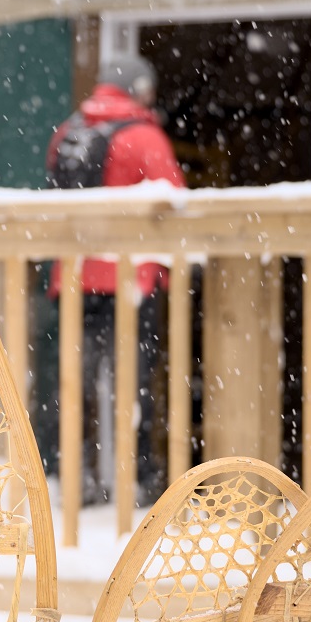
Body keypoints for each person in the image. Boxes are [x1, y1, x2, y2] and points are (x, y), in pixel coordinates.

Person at [46, 56, 186, 505]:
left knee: (76, 382)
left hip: (73, 279)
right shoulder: (145, 135)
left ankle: (75, 476)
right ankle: (145, 480)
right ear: (139, 89)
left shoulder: (67, 133)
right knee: (136, 383)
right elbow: (174, 201)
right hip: (130, 281)